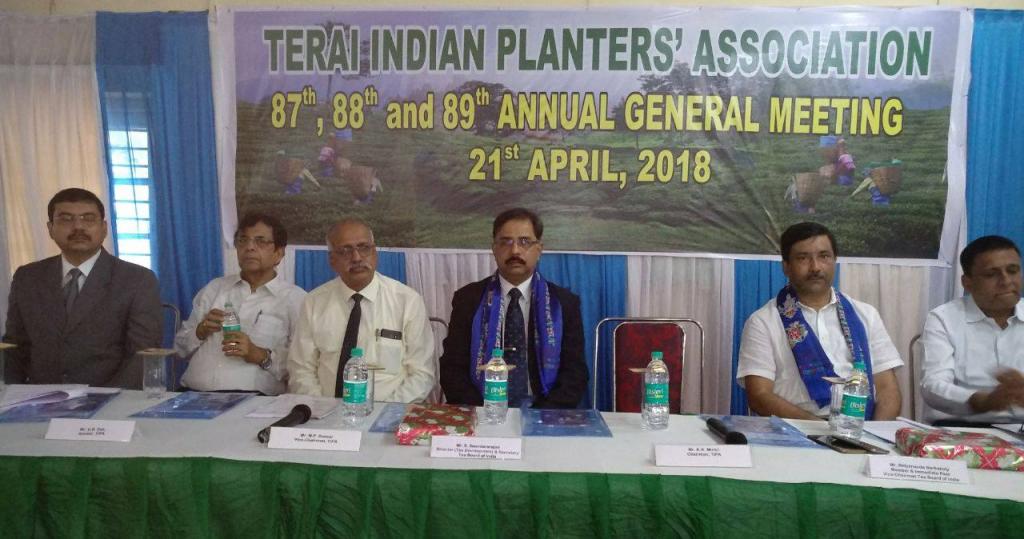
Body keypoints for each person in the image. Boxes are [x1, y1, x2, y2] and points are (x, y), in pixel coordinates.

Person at [736, 222, 903, 420]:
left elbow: (887, 389)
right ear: (786, 267)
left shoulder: (866, 314)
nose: (815, 267)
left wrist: (874, 434)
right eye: (803, 258)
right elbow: (759, 396)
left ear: (834, 261)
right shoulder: (762, 322)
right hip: (796, 430)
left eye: (824, 256)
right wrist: (822, 430)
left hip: (861, 428)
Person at [3, 188, 161, 388]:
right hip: (38, 398)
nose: (78, 227)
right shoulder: (28, 277)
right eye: (66, 219)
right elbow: (14, 348)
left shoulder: (137, 280)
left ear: (104, 228)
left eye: (88, 219)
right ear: (50, 228)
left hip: (111, 399)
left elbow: (142, 354)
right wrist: (12, 396)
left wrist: (105, 400)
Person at [440, 208, 587, 409]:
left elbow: (575, 373)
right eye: (506, 242)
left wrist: (542, 415)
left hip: (545, 412)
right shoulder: (468, 299)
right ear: (494, 249)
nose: (515, 251)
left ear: (539, 249)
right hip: (481, 410)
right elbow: (452, 369)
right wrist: (484, 412)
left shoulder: (563, 303)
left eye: (525, 242)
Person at [288, 218, 435, 402]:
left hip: (390, 411)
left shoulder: (407, 301)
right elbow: (301, 370)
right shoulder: (314, 302)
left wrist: (385, 413)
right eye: (345, 250)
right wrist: (321, 408)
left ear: (375, 253)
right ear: (332, 260)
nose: (356, 258)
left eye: (364, 247)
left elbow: (421, 374)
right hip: (325, 411)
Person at [174, 213, 306, 395]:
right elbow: (179, 350)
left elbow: (302, 366)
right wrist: (200, 331)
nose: (249, 247)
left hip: (253, 401)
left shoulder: (295, 299)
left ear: (278, 253)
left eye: (260, 241)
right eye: (243, 240)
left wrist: (260, 355)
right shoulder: (215, 288)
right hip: (191, 394)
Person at [920, 235, 1024, 423]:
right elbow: (933, 386)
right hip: (961, 428)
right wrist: (981, 401)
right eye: (991, 274)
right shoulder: (944, 318)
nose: (1006, 281)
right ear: (967, 283)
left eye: (1013, 271)